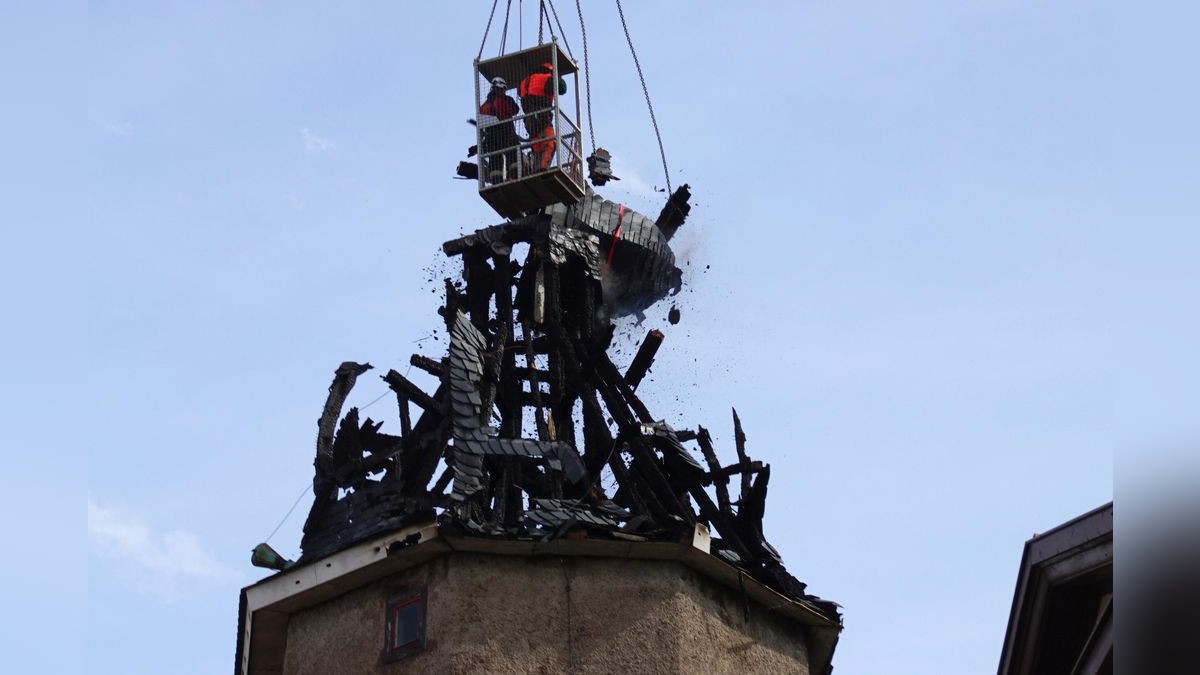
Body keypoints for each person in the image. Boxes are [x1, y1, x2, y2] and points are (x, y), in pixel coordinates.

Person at [478, 76, 520, 182]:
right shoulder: (505, 100)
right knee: (512, 154)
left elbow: (482, 126)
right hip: (507, 134)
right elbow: (515, 110)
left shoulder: (483, 107)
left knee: (495, 160)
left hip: (491, 139)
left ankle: (496, 182)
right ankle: (514, 176)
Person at [518, 62, 567, 136]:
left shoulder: (524, 82)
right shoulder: (546, 78)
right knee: (549, 144)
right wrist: (558, 78)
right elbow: (562, 88)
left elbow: (520, 93)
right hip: (543, 118)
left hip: (529, 122)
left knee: (536, 143)